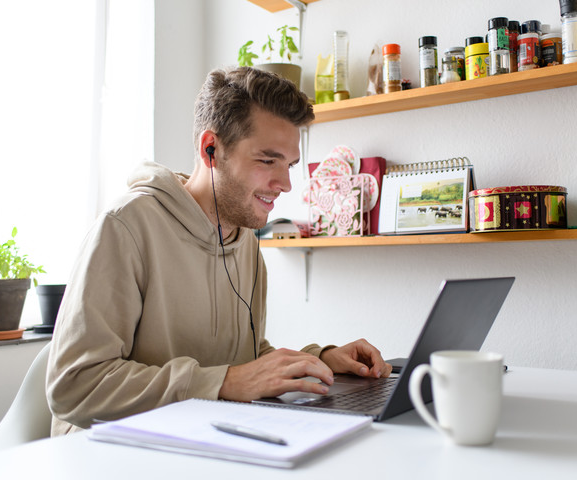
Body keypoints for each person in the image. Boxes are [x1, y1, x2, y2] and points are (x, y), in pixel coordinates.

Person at [46, 67, 391, 435]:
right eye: (267, 160)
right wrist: (222, 383)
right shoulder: (125, 228)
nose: (286, 184)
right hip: (107, 454)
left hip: (203, 441)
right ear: (211, 149)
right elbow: (75, 387)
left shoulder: (246, 243)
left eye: (289, 165)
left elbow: (246, 361)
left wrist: (321, 359)